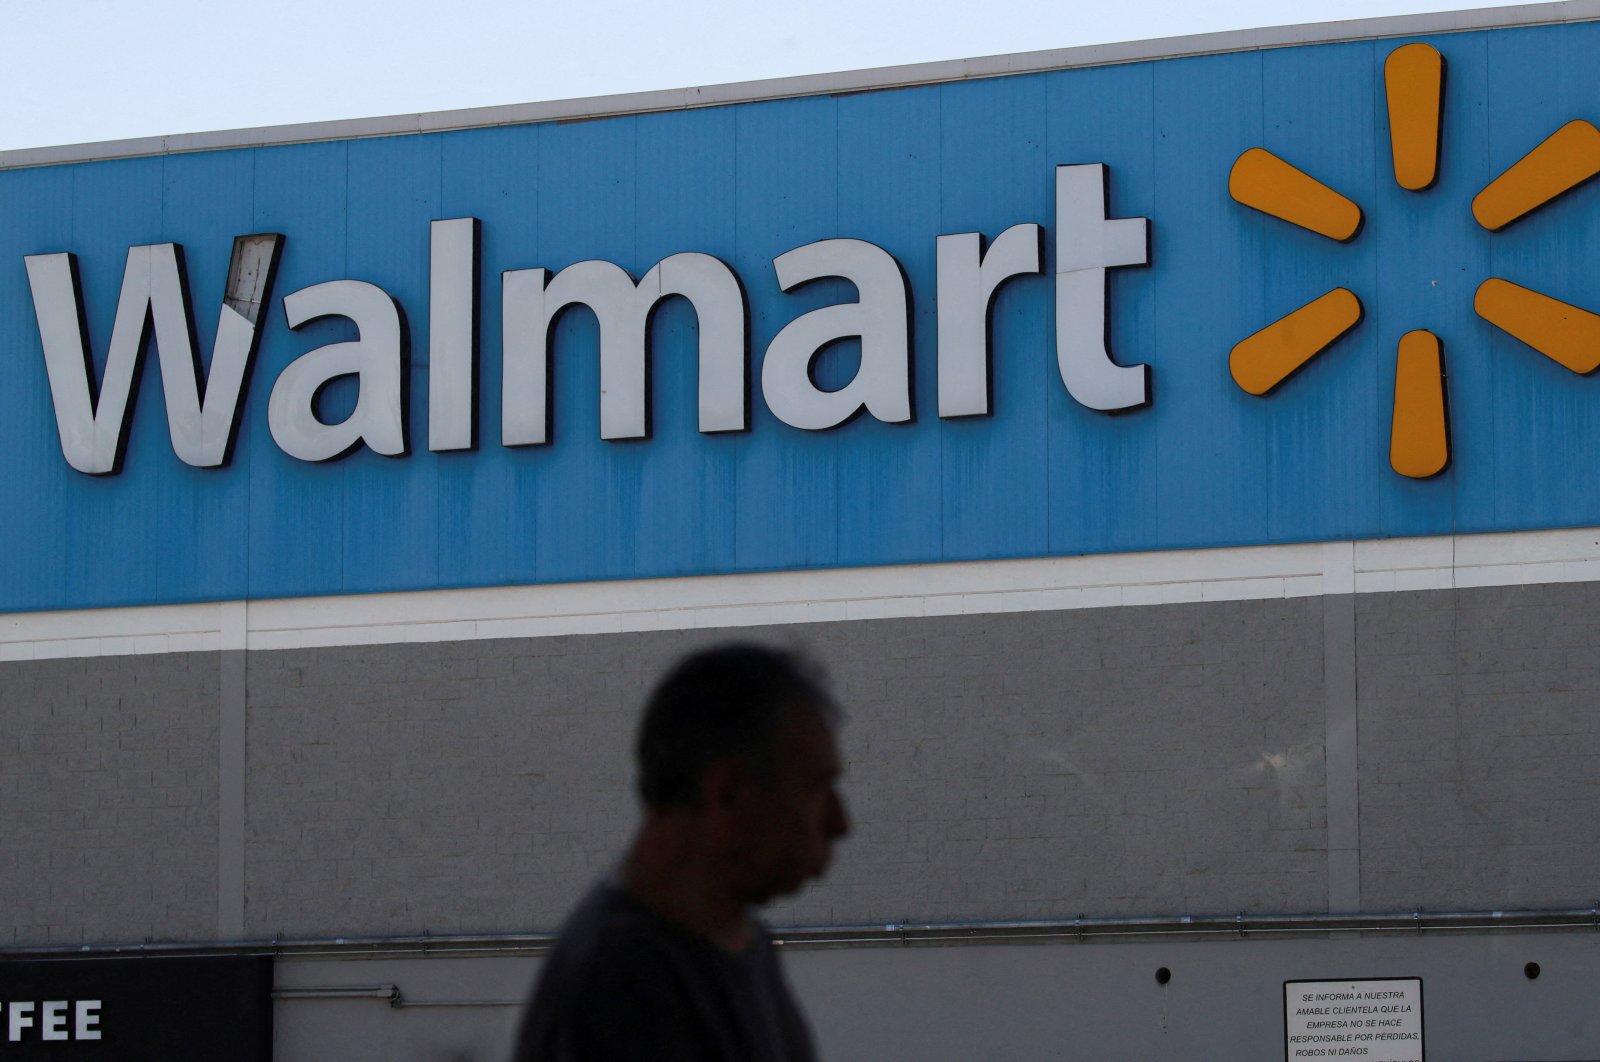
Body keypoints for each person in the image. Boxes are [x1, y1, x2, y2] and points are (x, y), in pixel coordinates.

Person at [511, 642, 850, 1062]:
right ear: (726, 793)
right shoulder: (622, 988)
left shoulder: (738, 942)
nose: (840, 824)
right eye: (816, 789)